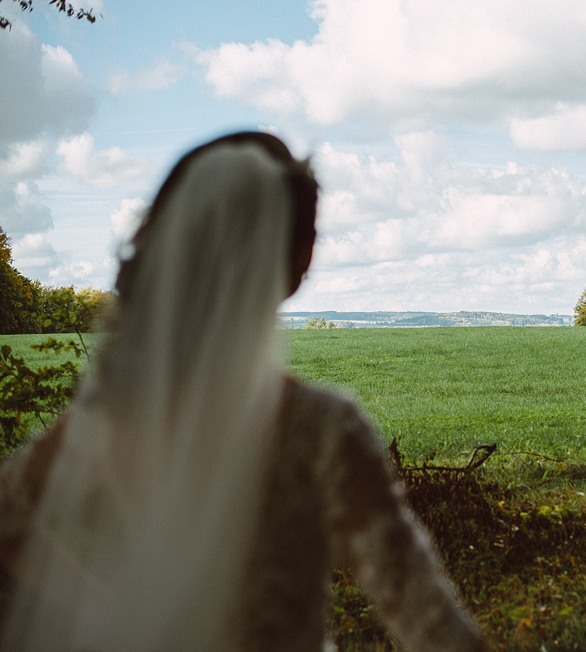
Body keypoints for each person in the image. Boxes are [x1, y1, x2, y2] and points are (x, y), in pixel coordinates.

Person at [0, 131, 484, 651]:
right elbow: (426, 618)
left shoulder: (108, 419)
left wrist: (112, 616)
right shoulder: (322, 429)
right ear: (300, 261)